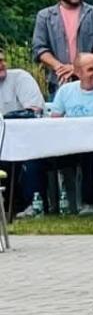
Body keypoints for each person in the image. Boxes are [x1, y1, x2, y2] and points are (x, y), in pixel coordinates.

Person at [46, 53, 93, 214]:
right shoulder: (65, 91)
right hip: (69, 143)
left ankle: (89, 203)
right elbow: (54, 121)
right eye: (91, 69)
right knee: (38, 155)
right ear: (78, 73)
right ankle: (40, 203)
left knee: (92, 153)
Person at [0, 46, 49, 218]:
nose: (2, 65)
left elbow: (34, 111)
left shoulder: (20, 78)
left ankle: (33, 204)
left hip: (30, 140)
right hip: (3, 144)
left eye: (2, 60)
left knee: (30, 154)